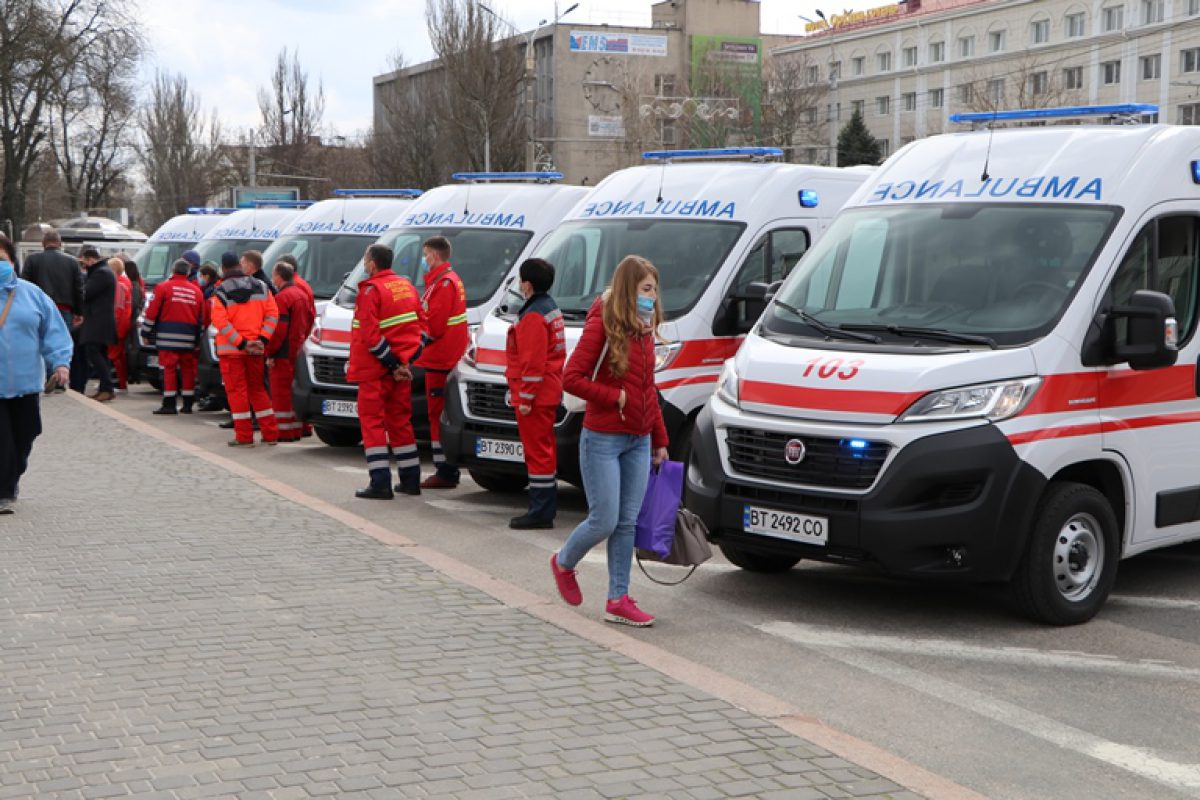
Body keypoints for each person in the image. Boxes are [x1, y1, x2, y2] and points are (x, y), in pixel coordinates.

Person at [550, 255, 669, 628]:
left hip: (638, 439)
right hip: (602, 437)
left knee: (627, 523)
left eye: (654, 289)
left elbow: (648, 388)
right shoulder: (603, 322)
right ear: (628, 289)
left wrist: (659, 439)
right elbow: (571, 377)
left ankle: (618, 598)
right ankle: (564, 562)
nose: (652, 297)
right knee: (604, 520)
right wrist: (613, 398)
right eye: (646, 289)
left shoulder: (645, 328)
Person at [348, 244, 426, 499]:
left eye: (365, 259)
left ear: (372, 263)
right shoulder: (407, 287)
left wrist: (392, 364)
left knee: (372, 424)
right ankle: (411, 480)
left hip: (375, 370)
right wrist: (405, 362)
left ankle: (380, 483)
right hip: (399, 368)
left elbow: (370, 336)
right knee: (401, 422)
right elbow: (422, 328)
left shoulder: (371, 290)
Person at [0, 255, 73, 514]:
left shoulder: (32, 294)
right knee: (3, 440)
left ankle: (12, 476)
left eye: (3, 258)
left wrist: (60, 363)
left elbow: (53, 330)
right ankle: (4, 491)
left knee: (26, 433)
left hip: (27, 381)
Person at [505, 258, 566, 530]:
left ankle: (540, 511)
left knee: (537, 453)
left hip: (536, 395)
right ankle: (543, 508)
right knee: (544, 452)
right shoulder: (549, 307)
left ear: (527, 284)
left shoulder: (532, 315)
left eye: (520, 280)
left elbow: (532, 363)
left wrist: (526, 398)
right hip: (548, 390)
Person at [414, 235, 468, 489]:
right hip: (444, 356)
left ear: (434, 256)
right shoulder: (446, 281)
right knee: (439, 413)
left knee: (436, 415)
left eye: (425, 256)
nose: (424, 261)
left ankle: (444, 470)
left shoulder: (443, 284)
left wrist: (414, 341)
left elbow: (433, 325)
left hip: (440, 358)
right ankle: (445, 468)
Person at [211, 252, 280, 446]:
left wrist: (241, 343)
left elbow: (220, 322)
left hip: (232, 352)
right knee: (258, 390)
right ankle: (270, 434)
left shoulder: (221, 291)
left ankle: (244, 436)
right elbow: (273, 314)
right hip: (256, 350)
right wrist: (262, 339)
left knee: (237, 392)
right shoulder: (262, 286)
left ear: (224, 268)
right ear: (240, 266)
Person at [21, 229, 83, 393]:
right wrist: (79, 311)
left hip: (38, 308)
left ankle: (48, 375)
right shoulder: (72, 262)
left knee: (40, 341)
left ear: (43, 243)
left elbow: (23, 284)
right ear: (60, 243)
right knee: (61, 341)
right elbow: (79, 288)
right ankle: (60, 375)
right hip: (64, 308)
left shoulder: (33, 260)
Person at [142, 259, 205, 415]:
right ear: (188, 272)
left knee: (168, 370)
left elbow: (152, 312)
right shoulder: (197, 291)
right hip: (189, 338)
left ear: (173, 270)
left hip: (167, 337)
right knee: (187, 370)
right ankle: (188, 404)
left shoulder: (163, 288)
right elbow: (201, 317)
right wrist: (198, 339)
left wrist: (145, 332)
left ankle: (169, 404)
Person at [267, 262, 315, 441]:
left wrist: (270, 352)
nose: (273, 278)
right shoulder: (302, 294)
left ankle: (284, 431)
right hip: (297, 349)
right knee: (294, 391)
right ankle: (299, 428)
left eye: (273, 275)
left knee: (281, 394)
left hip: (283, 352)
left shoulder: (282, 298)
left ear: (279, 276)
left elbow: (278, 331)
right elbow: (309, 320)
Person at [79, 247, 117, 402]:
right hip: (102, 320)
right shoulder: (104, 271)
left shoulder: (100, 273)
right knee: (100, 353)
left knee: (93, 351)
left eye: (84, 262)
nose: (84, 266)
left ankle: (107, 387)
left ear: (90, 259)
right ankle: (105, 388)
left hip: (98, 320)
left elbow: (86, 293)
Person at [108, 257, 132, 392]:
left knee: (114, 355)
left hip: (118, 325)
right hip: (124, 323)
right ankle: (120, 383)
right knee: (119, 355)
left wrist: (113, 325)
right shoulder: (125, 282)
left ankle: (118, 383)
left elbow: (118, 307)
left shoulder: (119, 285)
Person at [122, 258, 145, 385]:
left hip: (131, 319)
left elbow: (134, 304)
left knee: (131, 348)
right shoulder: (136, 285)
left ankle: (133, 374)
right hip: (133, 318)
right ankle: (133, 373)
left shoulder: (133, 286)